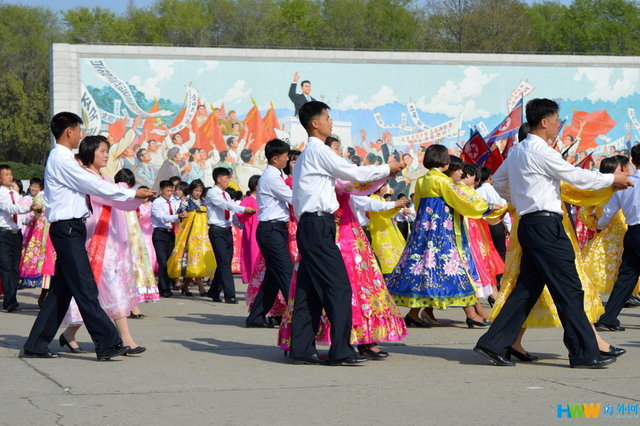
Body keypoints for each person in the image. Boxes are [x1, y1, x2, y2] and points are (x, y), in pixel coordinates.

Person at [475, 98, 631, 369]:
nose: (560, 125)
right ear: (545, 122)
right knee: (569, 289)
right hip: (546, 226)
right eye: (558, 120)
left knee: (527, 289)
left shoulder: (517, 152)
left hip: (530, 224)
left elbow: (499, 183)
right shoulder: (541, 151)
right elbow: (574, 176)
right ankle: (584, 352)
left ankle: (493, 343)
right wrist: (610, 179)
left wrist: (524, 199)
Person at [23, 112, 154, 360]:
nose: (80, 135)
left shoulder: (65, 159)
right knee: (85, 288)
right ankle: (107, 343)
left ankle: (36, 343)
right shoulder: (61, 159)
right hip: (67, 228)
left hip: (71, 228)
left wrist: (131, 196)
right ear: (69, 131)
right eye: (78, 130)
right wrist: (132, 194)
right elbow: (92, 185)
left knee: (61, 291)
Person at [288, 101, 403, 365]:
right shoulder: (318, 150)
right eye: (327, 118)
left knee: (309, 289)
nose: (330, 122)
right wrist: (386, 169)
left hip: (313, 225)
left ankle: (302, 348)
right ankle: (341, 349)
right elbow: (351, 172)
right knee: (339, 287)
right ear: (315, 123)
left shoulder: (309, 153)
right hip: (317, 225)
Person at [385, 146, 505, 329]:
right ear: (443, 160)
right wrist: (488, 207)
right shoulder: (443, 181)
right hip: (441, 234)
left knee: (426, 271)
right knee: (454, 269)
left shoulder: (422, 180)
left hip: (422, 233)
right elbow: (463, 200)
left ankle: (413, 314)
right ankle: (472, 314)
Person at [60, 141, 146, 356]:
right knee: (101, 288)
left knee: (102, 289)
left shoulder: (106, 179)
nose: (107, 156)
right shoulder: (86, 178)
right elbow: (111, 196)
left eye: (107, 151)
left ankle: (70, 334)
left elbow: (119, 200)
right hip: (94, 240)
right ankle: (124, 338)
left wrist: (136, 195)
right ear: (91, 153)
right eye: (103, 151)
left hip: (111, 242)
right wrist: (132, 194)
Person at [246, 139, 293, 328]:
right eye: (285, 156)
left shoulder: (275, 175)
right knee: (287, 274)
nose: (287, 159)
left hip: (274, 230)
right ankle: (302, 317)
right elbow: (293, 197)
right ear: (275, 158)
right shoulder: (272, 178)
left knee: (273, 277)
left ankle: (256, 316)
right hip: (271, 230)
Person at [595, 144, 640, 331]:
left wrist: (599, 226)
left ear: (632, 161)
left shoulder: (624, 184)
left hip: (633, 232)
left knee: (627, 277)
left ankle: (608, 317)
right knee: (627, 276)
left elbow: (609, 211)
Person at [204, 167, 256, 303]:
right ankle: (229, 294)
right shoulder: (211, 193)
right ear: (219, 179)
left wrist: (243, 226)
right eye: (227, 178)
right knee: (225, 263)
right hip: (216, 230)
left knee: (225, 262)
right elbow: (225, 205)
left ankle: (214, 291)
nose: (228, 181)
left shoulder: (226, 194)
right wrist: (244, 209)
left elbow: (231, 215)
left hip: (227, 230)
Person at [115, 170, 160, 310]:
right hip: (126, 233)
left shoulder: (122, 194)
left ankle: (131, 305)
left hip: (131, 234)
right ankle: (130, 305)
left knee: (130, 266)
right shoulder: (120, 194)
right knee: (130, 266)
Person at [0, 164, 42, 312]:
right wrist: (29, 208)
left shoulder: (16, 195)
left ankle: (12, 299)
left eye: (10, 173)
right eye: (5, 174)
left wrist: (31, 218)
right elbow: (11, 209)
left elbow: (21, 215)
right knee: (6, 268)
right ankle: (9, 301)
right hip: (3, 234)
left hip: (16, 234)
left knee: (14, 269)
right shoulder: (1, 194)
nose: (9, 176)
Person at [168, 179, 216, 296]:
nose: (198, 193)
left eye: (200, 191)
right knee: (193, 260)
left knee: (197, 261)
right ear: (191, 190)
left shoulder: (204, 202)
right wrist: (184, 215)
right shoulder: (185, 202)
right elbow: (179, 216)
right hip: (190, 236)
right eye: (196, 190)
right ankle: (201, 287)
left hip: (202, 236)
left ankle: (185, 286)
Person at [151, 180, 186, 298]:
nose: (170, 193)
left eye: (171, 191)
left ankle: (165, 285)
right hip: (160, 234)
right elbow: (163, 218)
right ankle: (164, 288)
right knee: (162, 261)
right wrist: (177, 216)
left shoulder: (174, 201)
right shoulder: (156, 203)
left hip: (170, 234)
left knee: (169, 261)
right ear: (161, 190)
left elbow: (181, 210)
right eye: (167, 191)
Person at [368, 182, 406, 277]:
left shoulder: (380, 199)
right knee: (385, 252)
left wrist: (397, 206)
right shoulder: (373, 199)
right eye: (384, 186)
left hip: (386, 228)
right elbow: (384, 213)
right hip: (380, 230)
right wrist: (396, 206)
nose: (386, 188)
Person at [236, 175, 261, 285]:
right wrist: (248, 212)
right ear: (256, 186)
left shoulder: (262, 199)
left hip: (262, 232)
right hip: (252, 234)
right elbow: (239, 213)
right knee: (253, 257)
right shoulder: (247, 200)